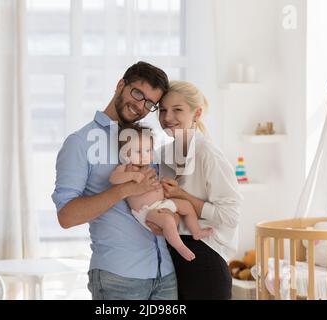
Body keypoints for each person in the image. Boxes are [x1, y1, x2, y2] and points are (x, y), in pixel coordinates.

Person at [52, 62, 178, 300]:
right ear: (121, 85)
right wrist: (122, 190)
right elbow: (66, 217)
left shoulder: (147, 141)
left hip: (165, 274)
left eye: (150, 103)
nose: (141, 106)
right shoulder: (80, 143)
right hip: (119, 278)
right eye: (138, 93)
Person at [153, 80, 243, 300]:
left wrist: (183, 196)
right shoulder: (161, 155)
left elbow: (230, 216)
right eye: (163, 110)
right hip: (172, 256)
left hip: (206, 257)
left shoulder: (208, 155)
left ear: (197, 113)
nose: (167, 117)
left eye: (177, 110)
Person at [109, 124, 213, 261]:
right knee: (167, 220)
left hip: (162, 204)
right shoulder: (126, 169)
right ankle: (180, 247)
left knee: (186, 206)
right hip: (146, 212)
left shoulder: (151, 166)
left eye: (148, 150)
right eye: (138, 152)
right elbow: (113, 179)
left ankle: (196, 231)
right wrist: (131, 176)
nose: (144, 156)